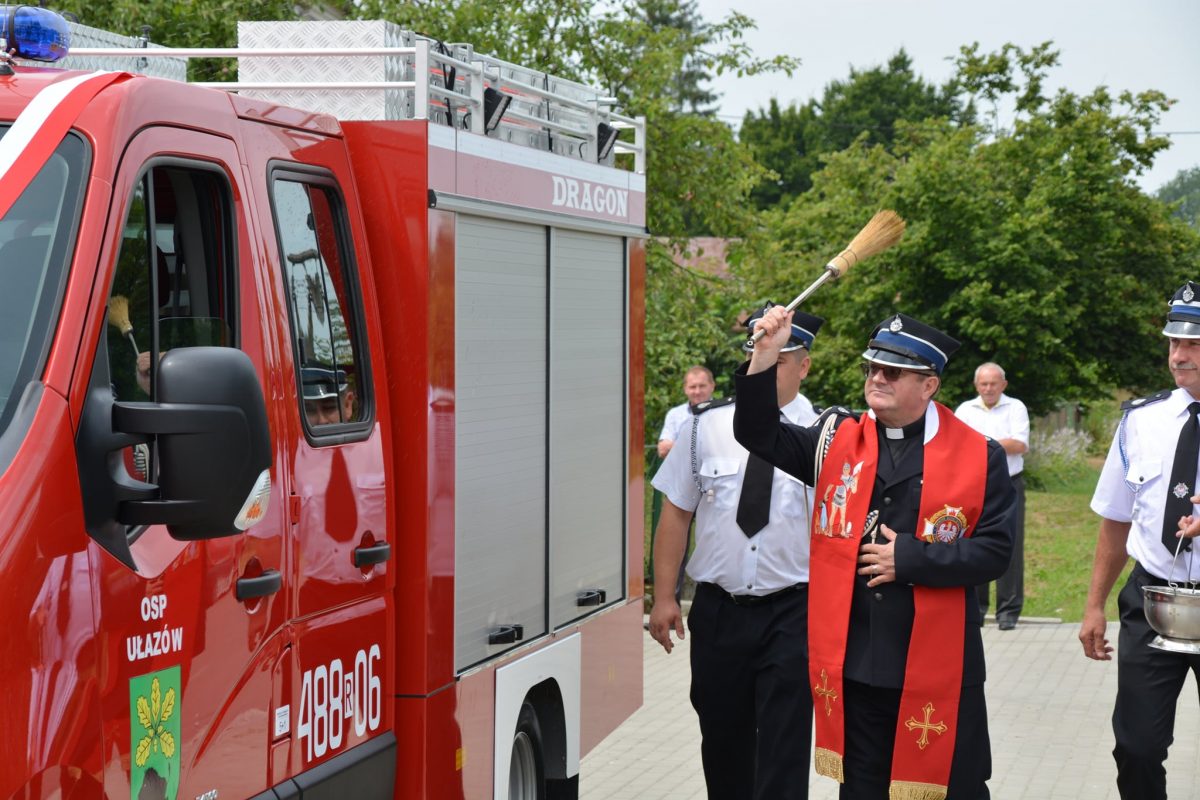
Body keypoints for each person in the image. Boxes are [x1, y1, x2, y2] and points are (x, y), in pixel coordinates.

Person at [734, 307, 1014, 800]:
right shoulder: (834, 439)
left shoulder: (979, 454)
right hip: (858, 669)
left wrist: (910, 560)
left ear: (929, 386)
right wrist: (765, 355)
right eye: (872, 367)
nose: (876, 377)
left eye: (892, 371)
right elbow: (757, 433)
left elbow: (995, 553)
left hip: (940, 671)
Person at [648, 305, 823, 800]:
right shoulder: (705, 427)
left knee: (784, 748)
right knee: (723, 743)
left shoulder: (829, 435)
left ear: (805, 365)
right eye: (756, 351)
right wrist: (665, 596)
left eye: (778, 356)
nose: (763, 363)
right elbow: (676, 514)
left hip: (794, 611)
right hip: (720, 611)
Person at [1080, 280, 1200, 800]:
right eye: (1174, 342)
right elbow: (1115, 519)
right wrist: (1093, 606)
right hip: (1153, 600)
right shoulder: (1141, 422)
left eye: (1193, 343)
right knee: (1137, 746)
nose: (1179, 354)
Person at [955, 362, 1030, 630]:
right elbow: (955, 444)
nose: (988, 389)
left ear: (1003, 385)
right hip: (974, 485)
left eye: (993, 383)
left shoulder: (1016, 408)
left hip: (1009, 484)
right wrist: (998, 442)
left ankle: (1008, 612)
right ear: (977, 386)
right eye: (984, 384)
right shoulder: (965, 410)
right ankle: (976, 608)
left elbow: (1019, 444)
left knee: (1011, 545)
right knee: (974, 544)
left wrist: (979, 442)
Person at [656, 365, 715, 458]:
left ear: (712, 386)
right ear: (685, 389)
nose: (697, 391)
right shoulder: (675, 414)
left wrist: (677, 447)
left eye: (702, 386)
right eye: (692, 387)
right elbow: (663, 450)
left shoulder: (724, 412)